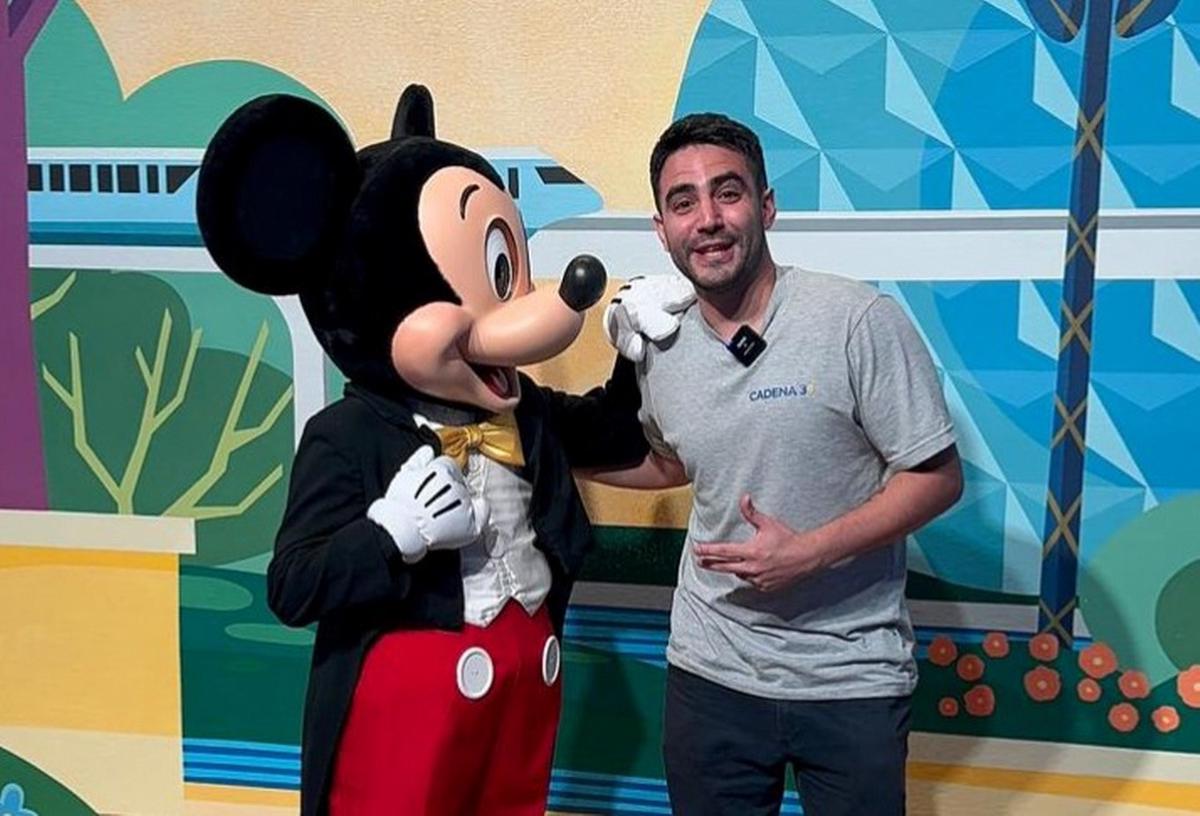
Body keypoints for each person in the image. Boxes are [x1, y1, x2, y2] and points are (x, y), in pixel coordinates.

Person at [589, 113, 964, 815]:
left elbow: (937, 477)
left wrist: (811, 552)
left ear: (766, 206)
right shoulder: (660, 346)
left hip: (850, 673)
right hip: (710, 671)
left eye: (727, 193)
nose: (707, 218)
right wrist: (551, 459)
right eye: (683, 202)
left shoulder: (856, 320)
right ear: (662, 230)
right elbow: (671, 462)